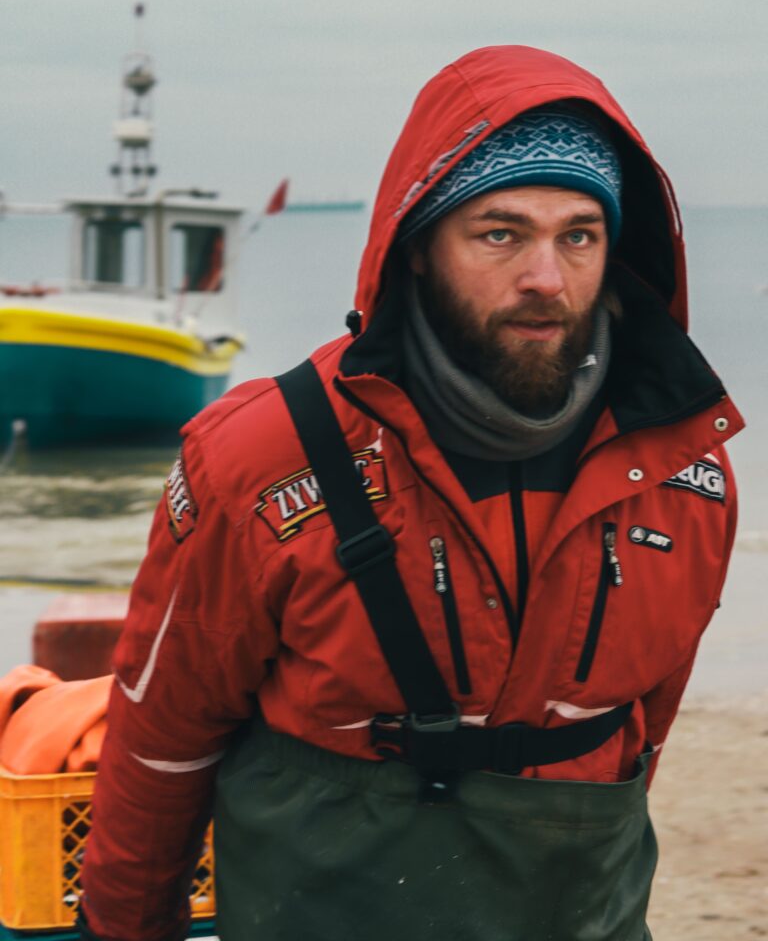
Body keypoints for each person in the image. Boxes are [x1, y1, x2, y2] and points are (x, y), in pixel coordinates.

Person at [80, 45, 743, 941]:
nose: (546, 278)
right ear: (418, 247)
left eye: (579, 235)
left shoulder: (683, 474)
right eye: (501, 233)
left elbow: (640, 738)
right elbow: (162, 741)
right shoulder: (261, 459)